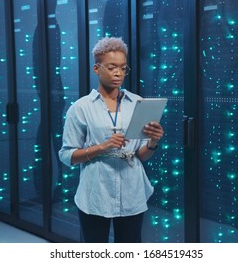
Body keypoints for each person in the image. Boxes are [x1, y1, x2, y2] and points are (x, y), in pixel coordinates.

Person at [58, 37, 164, 243]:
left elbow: (141, 155)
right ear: (97, 69)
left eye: (123, 68)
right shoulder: (80, 108)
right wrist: (102, 147)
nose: (118, 73)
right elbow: (66, 155)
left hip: (132, 190)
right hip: (95, 192)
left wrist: (152, 142)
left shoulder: (138, 103)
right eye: (112, 67)